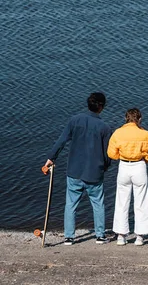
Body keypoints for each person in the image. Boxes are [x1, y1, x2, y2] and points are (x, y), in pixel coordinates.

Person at [44, 92, 112, 245]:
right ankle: (100, 235)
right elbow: (107, 153)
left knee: (71, 204)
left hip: (74, 170)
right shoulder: (105, 128)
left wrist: (50, 158)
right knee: (98, 203)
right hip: (94, 172)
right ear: (101, 107)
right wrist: (105, 167)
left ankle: (69, 237)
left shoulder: (74, 121)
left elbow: (61, 141)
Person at [107, 108, 148, 246]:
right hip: (139, 167)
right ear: (139, 119)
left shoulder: (118, 133)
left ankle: (121, 236)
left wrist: (120, 156)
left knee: (122, 201)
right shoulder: (144, 133)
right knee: (141, 201)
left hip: (124, 166)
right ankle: (140, 236)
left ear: (125, 119)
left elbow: (111, 153)